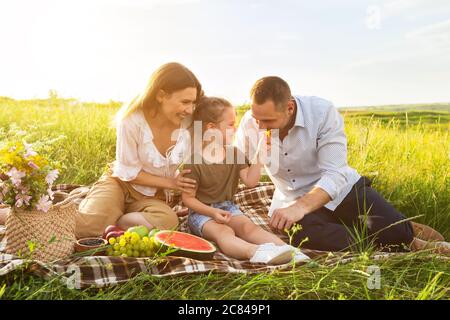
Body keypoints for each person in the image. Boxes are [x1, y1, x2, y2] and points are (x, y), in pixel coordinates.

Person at [236, 76, 448, 253]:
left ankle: (404, 233)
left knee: (398, 232)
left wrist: (300, 208)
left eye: (269, 121)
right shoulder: (251, 122)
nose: (261, 126)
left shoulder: (321, 113)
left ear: (289, 108)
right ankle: (384, 241)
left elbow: (336, 174)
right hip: (291, 198)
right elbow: (236, 163)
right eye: (257, 119)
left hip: (342, 190)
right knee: (303, 236)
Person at [75, 62, 201, 238]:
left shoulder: (189, 123)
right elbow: (128, 172)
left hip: (153, 197)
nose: (190, 109)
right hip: (120, 183)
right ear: (161, 95)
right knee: (87, 230)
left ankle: (117, 219)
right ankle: (109, 211)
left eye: (193, 102)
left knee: (169, 222)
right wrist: (172, 183)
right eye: (185, 102)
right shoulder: (131, 120)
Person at [181, 96, 310, 265]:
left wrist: (260, 153)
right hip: (202, 214)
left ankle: (290, 251)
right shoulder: (193, 161)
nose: (235, 129)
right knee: (224, 232)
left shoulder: (235, 154)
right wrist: (212, 213)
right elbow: (188, 199)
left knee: (248, 228)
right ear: (211, 128)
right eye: (230, 124)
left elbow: (250, 182)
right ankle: (257, 253)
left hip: (228, 207)